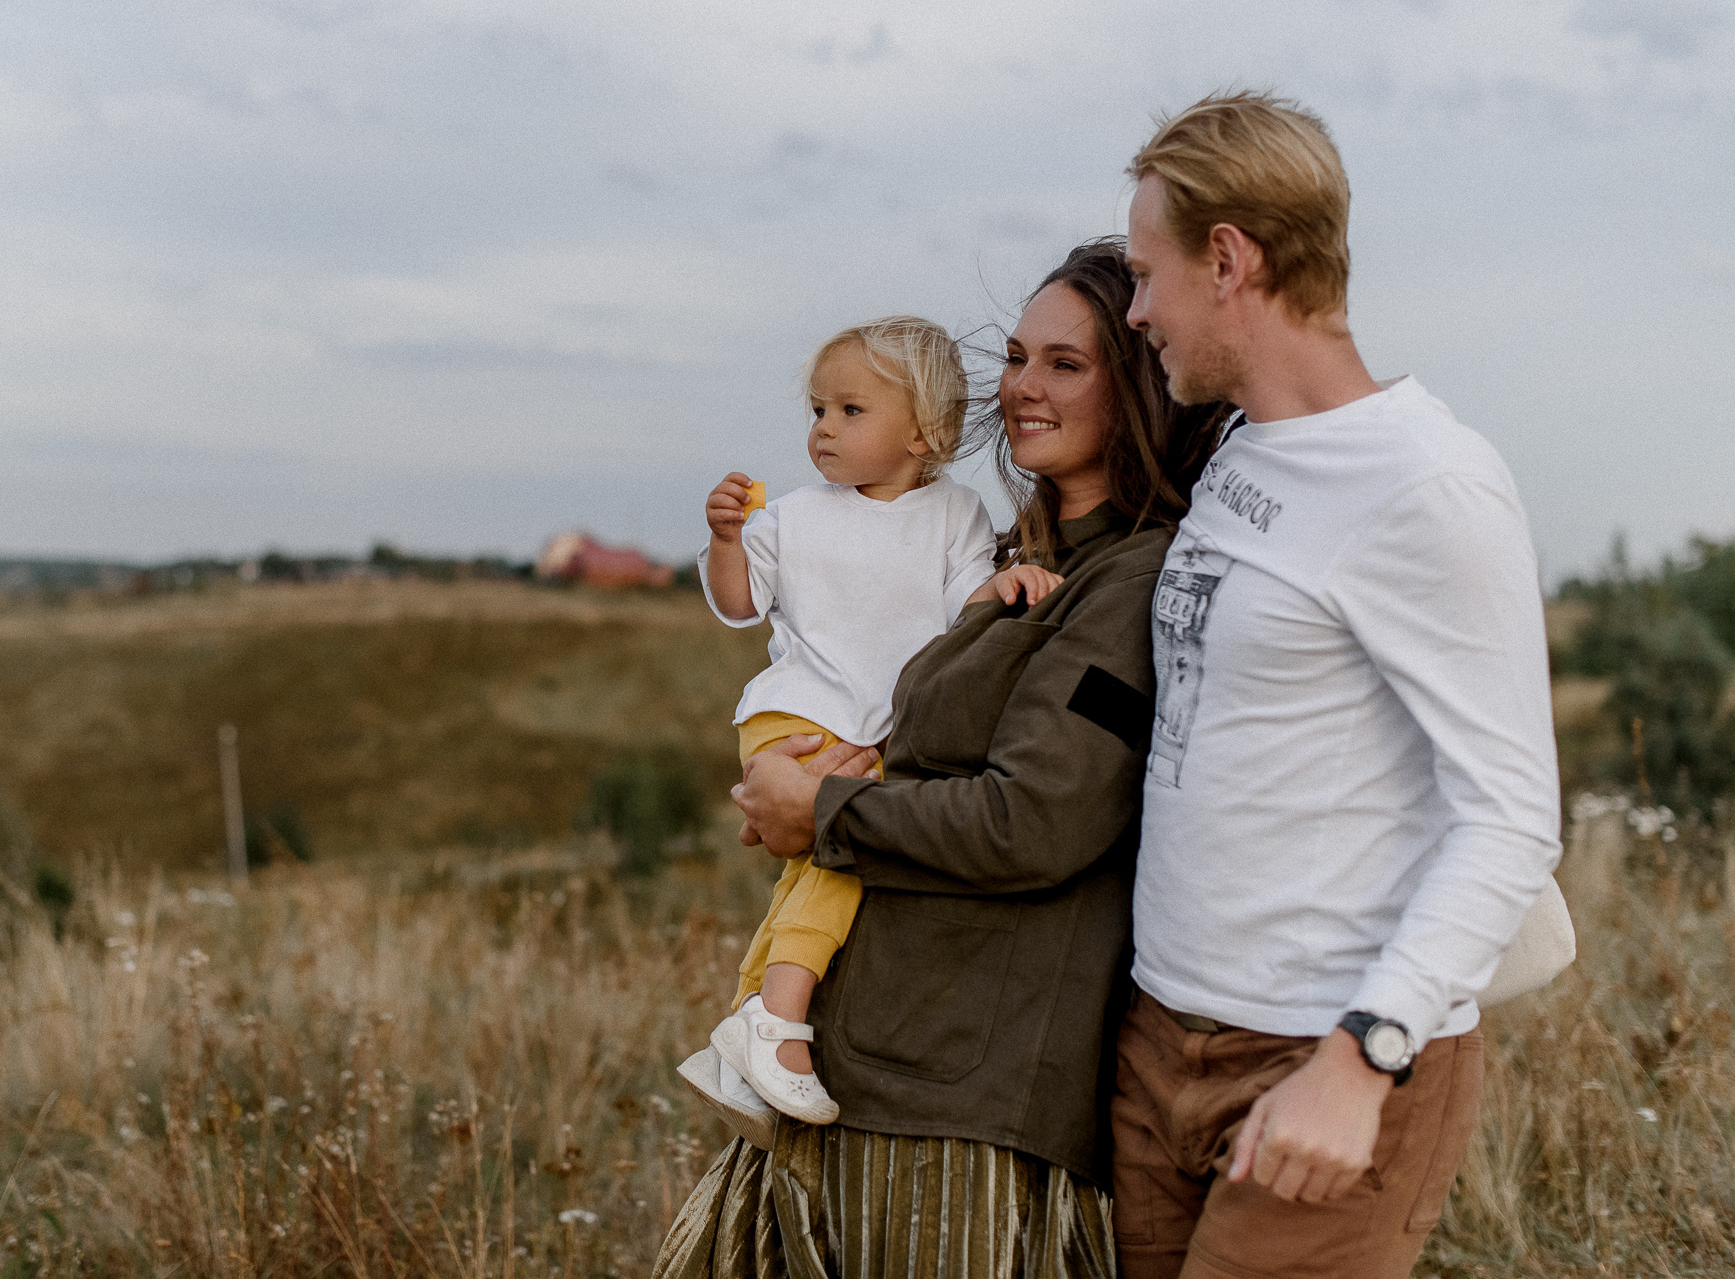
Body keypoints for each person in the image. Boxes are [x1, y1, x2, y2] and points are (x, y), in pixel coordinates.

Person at [655, 242, 1229, 1279]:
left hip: (959, 1099)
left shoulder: (1128, 581)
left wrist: (822, 812)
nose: (1020, 386)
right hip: (860, 1065)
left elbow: (1037, 821)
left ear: (1141, 384)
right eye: (1015, 357)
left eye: (1065, 363)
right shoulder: (1013, 555)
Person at [1111, 91, 1563, 1279]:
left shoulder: (1430, 487)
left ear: (1228, 258)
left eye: (1146, 273)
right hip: (1161, 1041)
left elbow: (1510, 815)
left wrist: (1362, 1059)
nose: (1139, 311)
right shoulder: (1243, 449)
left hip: (1323, 1060)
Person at [685, 316, 1059, 1139]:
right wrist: (724, 540)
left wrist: (1009, 581)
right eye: (817, 411)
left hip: (876, 726)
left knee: (813, 872)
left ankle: (747, 1019)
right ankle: (779, 1021)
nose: (822, 429)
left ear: (923, 432)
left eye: (849, 411)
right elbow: (741, 603)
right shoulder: (790, 517)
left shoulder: (956, 514)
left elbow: (968, 602)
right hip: (800, 716)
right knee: (847, 850)